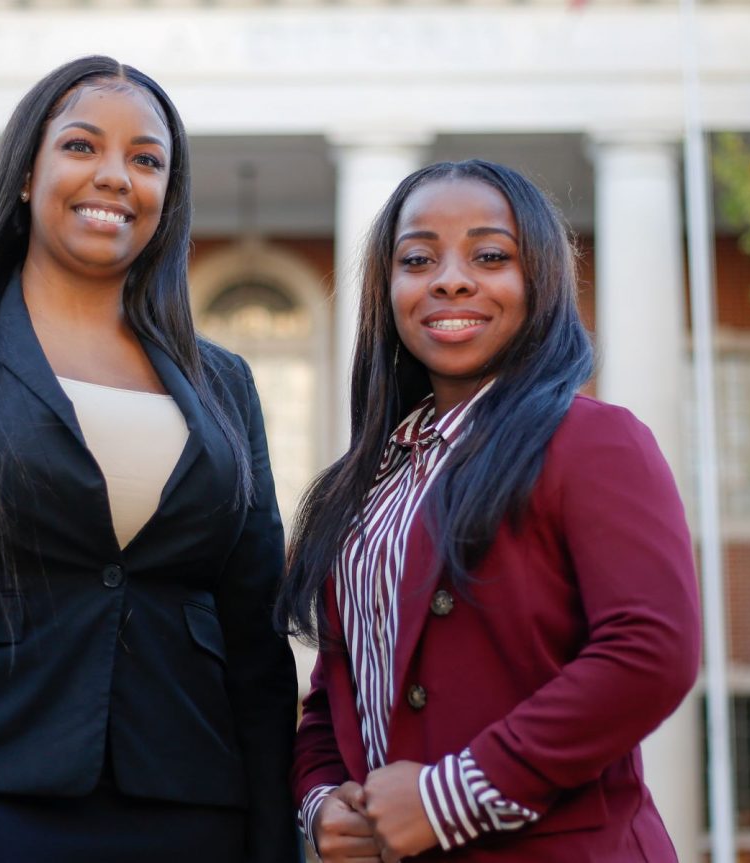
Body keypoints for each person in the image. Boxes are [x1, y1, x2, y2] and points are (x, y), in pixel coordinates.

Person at [0, 55, 299, 863]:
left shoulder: (224, 381)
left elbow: (255, 638)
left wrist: (272, 842)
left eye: (146, 160)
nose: (115, 176)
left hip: (193, 809)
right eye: (82, 146)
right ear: (24, 173)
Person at [279, 159, 701, 863]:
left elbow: (650, 648)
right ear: (387, 289)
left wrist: (450, 797)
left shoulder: (592, 438)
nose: (450, 278)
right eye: (417, 258)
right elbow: (336, 690)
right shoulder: (368, 482)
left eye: (489, 255)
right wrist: (322, 799)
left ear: (539, 279)